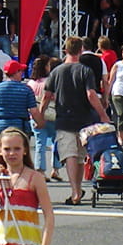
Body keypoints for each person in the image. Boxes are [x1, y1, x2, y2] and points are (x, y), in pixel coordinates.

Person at [41, 37, 109, 203]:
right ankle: (78, 189)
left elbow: (46, 96)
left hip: (64, 119)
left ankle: (75, 191)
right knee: (79, 156)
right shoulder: (85, 71)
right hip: (84, 119)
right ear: (81, 51)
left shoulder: (56, 71)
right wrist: (102, 114)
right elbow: (91, 94)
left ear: (65, 51)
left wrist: (40, 115)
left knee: (70, 154)